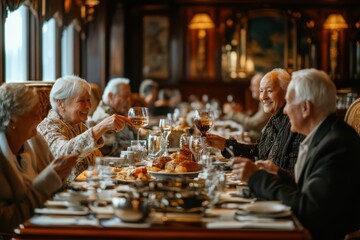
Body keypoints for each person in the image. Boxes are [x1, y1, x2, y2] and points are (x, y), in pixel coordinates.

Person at [231, 69, 360, 240]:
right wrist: (278, 173)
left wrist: (257, 178)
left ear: (306, 108)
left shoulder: (336, 145)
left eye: (289, 102)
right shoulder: (324, 135)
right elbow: (310, 188)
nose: (285, 111)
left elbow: (310, 211)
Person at [0, 83, 78, 233]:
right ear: (11, 121)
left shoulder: (36, 140)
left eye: (40, 112)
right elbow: (5, 222)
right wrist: (47, 181)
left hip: (47, 226)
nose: (40, 118)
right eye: (33, 114)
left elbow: (58, 191)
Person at [206, 68, 304, 174]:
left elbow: (294, 176)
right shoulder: (275, 119)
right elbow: (259, 151)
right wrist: (225, 145)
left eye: (269, 91)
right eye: (261, 91)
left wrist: (259, 174)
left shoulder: (295, 124)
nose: (263, 97)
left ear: (286, 93)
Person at [37, 75, 131, 183]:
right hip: (64, 195)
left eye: (88, 100)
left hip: (90, 188)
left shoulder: (79, 125)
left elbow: (97, 161)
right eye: (82, 101)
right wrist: (101, 127)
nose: (88, 106)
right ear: (60, 103)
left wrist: (126, 169)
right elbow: (63, 155)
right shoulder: (48, 126)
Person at [91, 78, 137, 156]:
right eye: (125, 96)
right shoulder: (104, 116)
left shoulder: (118, 113)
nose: (129, 100)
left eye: (130, 97)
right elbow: (114, 150)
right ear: (111, 96)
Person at [222, 73, 271, 141]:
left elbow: (252, 123)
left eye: (253, 85)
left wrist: (232, 113)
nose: (250, 88)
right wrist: (238, 112)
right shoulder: (261, 103)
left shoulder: (268, 103)